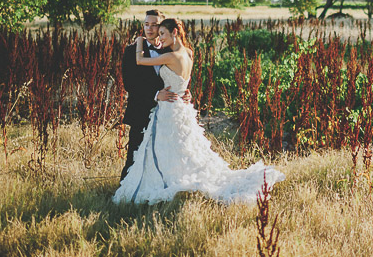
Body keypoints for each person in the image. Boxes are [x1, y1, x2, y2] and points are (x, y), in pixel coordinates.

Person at [113, 18, 285, 205]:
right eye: (158, 32)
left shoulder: (171, 57)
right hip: (182, 104)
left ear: (175, 33)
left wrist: (139, 41)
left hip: (170, 107)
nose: (159, 36)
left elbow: (140, 60)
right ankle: (179, 176)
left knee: (167, 146)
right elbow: (182, 80)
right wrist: (185, 92)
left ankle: (170, 180)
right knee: (182, 147)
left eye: (163, 33)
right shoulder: (189, 53)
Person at [119, 9, 190, 181]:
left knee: (162, 157)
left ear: (161, 28)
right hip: (142, 111)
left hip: (167, 115)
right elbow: (129, 83)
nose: (149, 29)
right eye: (146, 24)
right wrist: (156, 94)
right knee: (135, 155)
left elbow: (179, 74)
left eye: (154, 25)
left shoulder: (168, 49)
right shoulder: (132, 51)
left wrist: (185, 92)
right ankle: (124, 193)